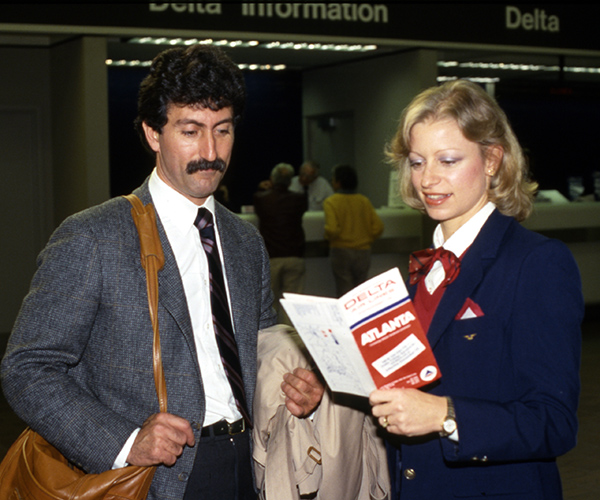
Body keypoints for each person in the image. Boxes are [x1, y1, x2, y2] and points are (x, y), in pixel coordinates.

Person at [1, 45, 323, 500]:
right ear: (153, 134)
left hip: (252, 463)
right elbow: (27, 369)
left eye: (223, 131)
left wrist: (296, 387)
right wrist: (124, 441)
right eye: (190, 132)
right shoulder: (93, 236)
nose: (210, 152)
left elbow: (261, 348)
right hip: (156, 478)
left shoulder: (244, 241)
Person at [369, 80, 583, 499]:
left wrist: (446, 416)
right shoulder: (424, 270)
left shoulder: (536, 262)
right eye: (416, 162)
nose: (427, 179)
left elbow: (554, 422)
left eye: (447, 160)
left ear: (492, 160)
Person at [253, 163, 308, 324]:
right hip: (295, 255)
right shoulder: (299, 200)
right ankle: (292, 342)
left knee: (270, 305)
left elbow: (258, 204)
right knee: (293, 306)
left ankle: (274, 344)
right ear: (291, 181)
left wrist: (262, 188)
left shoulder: (261, 199)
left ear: (272, 179)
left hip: (272, 258)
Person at [323, 164, 384, 297]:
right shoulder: (364, 201)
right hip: (363, 251)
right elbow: (378, 227)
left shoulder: (331, 202)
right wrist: (367, 239)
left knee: (345, 292)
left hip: (341, 251)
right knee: (361, 293)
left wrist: (327, 236)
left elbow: (332, 229)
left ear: (338, 182)